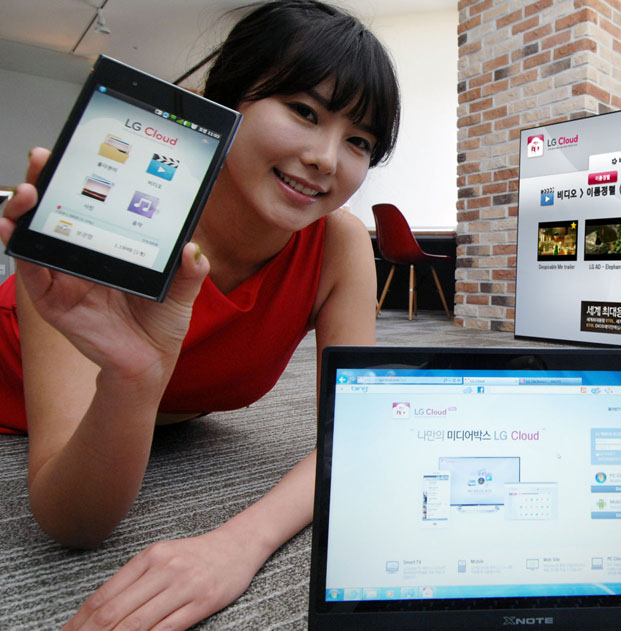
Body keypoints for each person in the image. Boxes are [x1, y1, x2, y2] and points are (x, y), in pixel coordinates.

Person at [0, 1, 400, 628]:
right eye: (304, 111)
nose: (327, 156)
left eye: (359, 140)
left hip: (157, 426)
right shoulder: (125, 221)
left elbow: (362, 431)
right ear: (227, 102)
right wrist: (132, 377)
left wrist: (239, 542)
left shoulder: (338, 247)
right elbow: (73, 523)